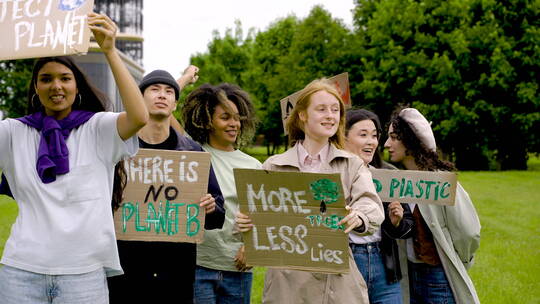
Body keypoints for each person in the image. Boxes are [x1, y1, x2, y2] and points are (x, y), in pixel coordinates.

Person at [0, 13, 148, 303]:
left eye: (65, 78)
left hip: (84, 275)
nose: (56, 86)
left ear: (77, 87)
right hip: (21, 272)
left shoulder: (99, 129)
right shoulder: (12, 133)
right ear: (36, 89)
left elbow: (139, 116)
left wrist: (110, 51)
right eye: (46, 79)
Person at [236, 79, 384, 304]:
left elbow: (371, 205)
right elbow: (254, 218)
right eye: (321, 109)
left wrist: (359, 216)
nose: (330, 116)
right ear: (302, 115)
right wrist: (246, 223)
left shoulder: (352, 164)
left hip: (337, 282)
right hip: (286, 285)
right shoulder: (273, 166)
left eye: (335, 110)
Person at [107, 70, 225, 303]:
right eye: (154, 89)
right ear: (139, 99)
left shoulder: (193, 154)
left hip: (176, 275)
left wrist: (211, 208)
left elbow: (217, 216)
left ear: (174, 104)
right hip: (125, 272)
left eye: (169, 91)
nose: (162, 95)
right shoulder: (118, 151)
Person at [384, 107, 481, 304]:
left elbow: (468, 232)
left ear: (411, 141)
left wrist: (457, 262)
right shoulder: (398, 182)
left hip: (438, 277)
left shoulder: (439, 182)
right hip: (411, 275)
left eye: (394, 137)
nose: (386, 144)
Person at [182, 83, 261, 304]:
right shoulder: (192, 154)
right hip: (199, 265)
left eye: (237, 117)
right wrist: (183, 81)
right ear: (207, 121)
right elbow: (161, 117)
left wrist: (251, 248)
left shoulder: (253, 165)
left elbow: (260, 214)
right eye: (225, 117)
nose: (234, 124)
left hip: (237, 267)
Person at [345, 109, 414, 304]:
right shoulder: (330, 176)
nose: (371, 141)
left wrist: (396, 222)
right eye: (363, 135)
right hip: (347, 264)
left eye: (374, 136)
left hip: (384, 265)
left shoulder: (387, 174)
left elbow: (408, 226)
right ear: (344, 137)